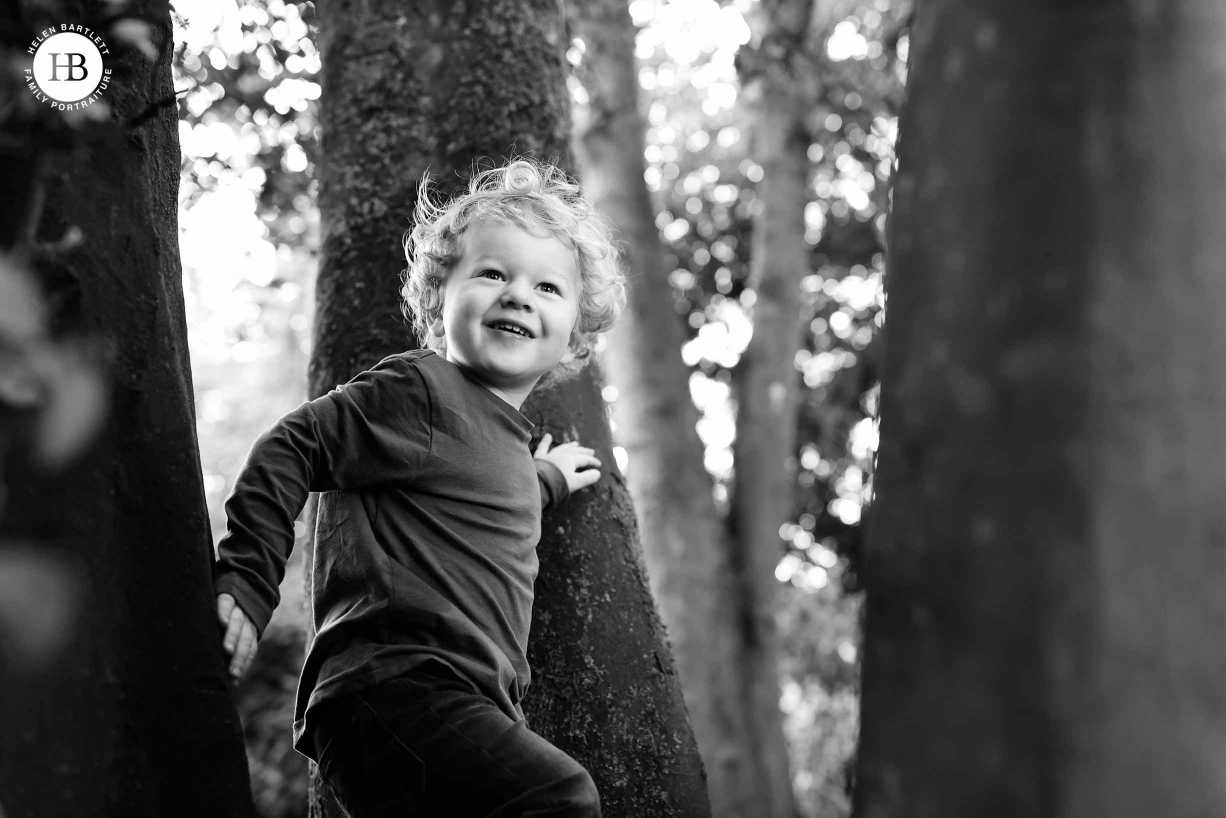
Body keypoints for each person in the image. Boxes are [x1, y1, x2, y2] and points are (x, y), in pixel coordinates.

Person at [213, 157, 626, 817]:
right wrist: (246, 581)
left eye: (548, 287)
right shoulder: (421, 389)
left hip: (447, 707)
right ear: (441, 297)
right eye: (492, 273)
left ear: (575, 332)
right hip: (395, 689)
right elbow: (292, 446)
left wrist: (544, 479)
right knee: (558, 797)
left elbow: (477, 500)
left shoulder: (509, 448)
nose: (518, 294)